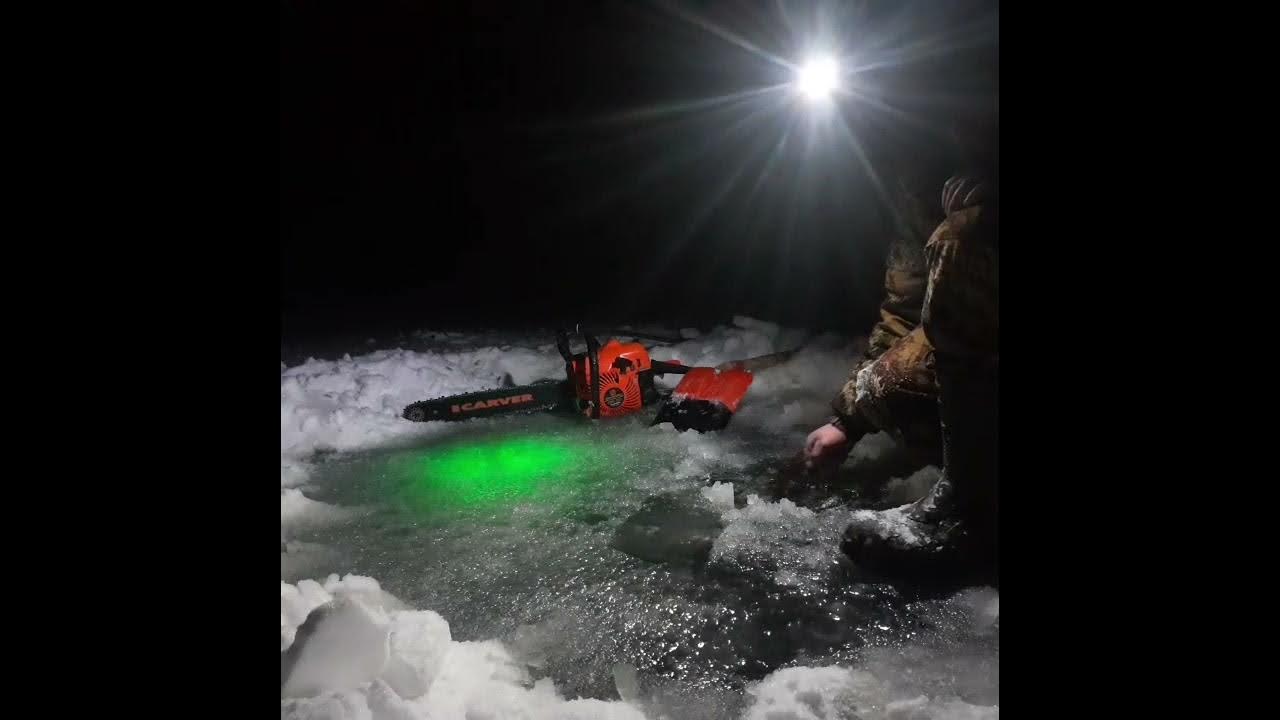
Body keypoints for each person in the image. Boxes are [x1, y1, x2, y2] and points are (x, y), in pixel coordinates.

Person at [804, 119, 998, 579]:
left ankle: (974, 518)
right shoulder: (920, 177)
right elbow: (905, 304)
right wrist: (846, 423)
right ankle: (967, 473)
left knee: (962, 238)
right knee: (887, 387)